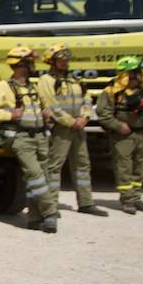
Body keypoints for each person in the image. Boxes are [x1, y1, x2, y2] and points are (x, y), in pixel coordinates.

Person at [0, 47, 59, 233]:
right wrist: (9, 114)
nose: (33, 66)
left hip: (40, 136)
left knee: (42, 178)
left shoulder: (31, 87)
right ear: (20, 65)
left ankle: (35, 218)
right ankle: (50, 212)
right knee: (35, 175)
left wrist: (45, 114)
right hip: (20, 138)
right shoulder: (4, 87)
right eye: (30, 63)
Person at [37, 44, 109, 218]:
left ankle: (86, 202)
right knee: (55, 166)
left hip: (78, 127)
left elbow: (86, 98)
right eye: (61, 59)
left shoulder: (74, 79)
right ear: (52, 62)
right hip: (61, 129)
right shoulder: (46, 81)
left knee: (82, 165)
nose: (65, 62)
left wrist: (85, 117)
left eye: (66, 59)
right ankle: (51, 206)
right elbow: (51, 105)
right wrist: (71, 122)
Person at [97, 55, 143, 215]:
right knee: (124, 168)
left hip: (140, 135)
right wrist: (118, 125)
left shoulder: (138, 90)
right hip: (122, 136)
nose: (139, 76)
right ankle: (127, 200)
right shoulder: (111, 91)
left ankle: (137, 198)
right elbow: (103, 114)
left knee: (139, 167)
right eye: (136, 73)